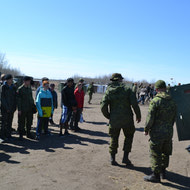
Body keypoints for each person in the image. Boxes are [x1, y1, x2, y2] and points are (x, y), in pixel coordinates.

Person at [101, 73, 141, 166]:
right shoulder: (127, 90)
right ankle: (125, 158)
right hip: (127, 119)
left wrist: (109, 116)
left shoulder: (109, 91)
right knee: (129, 137)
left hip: (114, 119)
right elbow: (134, 104)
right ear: (120, 80)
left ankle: (112, 158)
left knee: (114, 138)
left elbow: (103, 106)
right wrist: (138, 115)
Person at [144, 80, 176, 183]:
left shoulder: (155, 100)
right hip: (168, 131)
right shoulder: (172, 100)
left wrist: (146, 129)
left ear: (157, 89)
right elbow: (174, 117)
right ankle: (163, 172)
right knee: (165, 152)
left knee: (155, 152)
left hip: (157, 132)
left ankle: (155, 175)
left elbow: (150, 118)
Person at [1, 74, 17, 141]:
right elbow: (2, 98)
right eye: (10, 79)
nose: (11, 80)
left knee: (10, 122)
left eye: (11, 79)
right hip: (4, 108)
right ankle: (2, 136)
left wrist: (14, 107)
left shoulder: (13, 87)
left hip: (11, 108)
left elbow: (15, 97)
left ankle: (8, 135)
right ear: (7, 80)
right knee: (4, 123)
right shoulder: (3, 87)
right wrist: (6, 108)